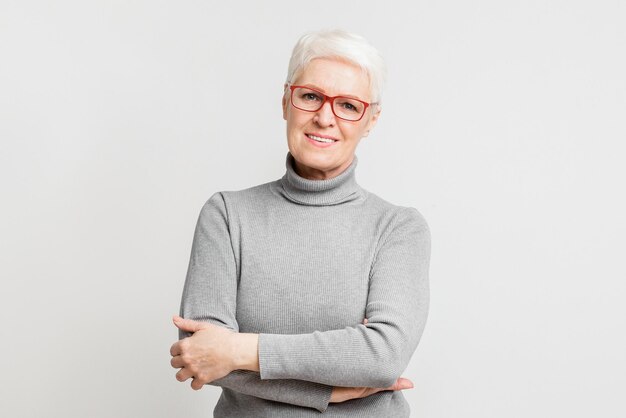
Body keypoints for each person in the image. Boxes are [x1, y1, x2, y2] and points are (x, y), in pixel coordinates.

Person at [169, 29, 431, 417]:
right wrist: (326, 392)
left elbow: (383, 355)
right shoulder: (226, 215)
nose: (325, 118)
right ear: (286, 102)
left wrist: (239, 350)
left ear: (371, 120)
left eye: (347, 105)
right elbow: (200, 354)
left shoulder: (398, 228)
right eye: (310, 97)